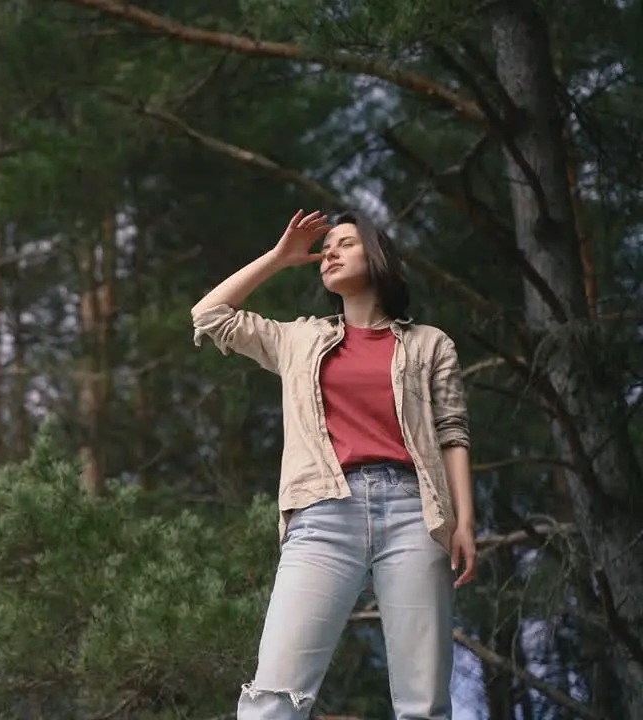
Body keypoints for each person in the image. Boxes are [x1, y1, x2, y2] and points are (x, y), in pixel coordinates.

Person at [191, 210, 477, 720]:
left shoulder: (431, 344)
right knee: (273, 700)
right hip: (323, 514)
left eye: (346, 243)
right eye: (327, 247)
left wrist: (464, 523)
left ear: (378, 255)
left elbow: (453, 434)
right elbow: (210, 314)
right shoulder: (298, 339)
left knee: (423, 704)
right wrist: (280, 258)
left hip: (417, 516)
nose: (331, 252)